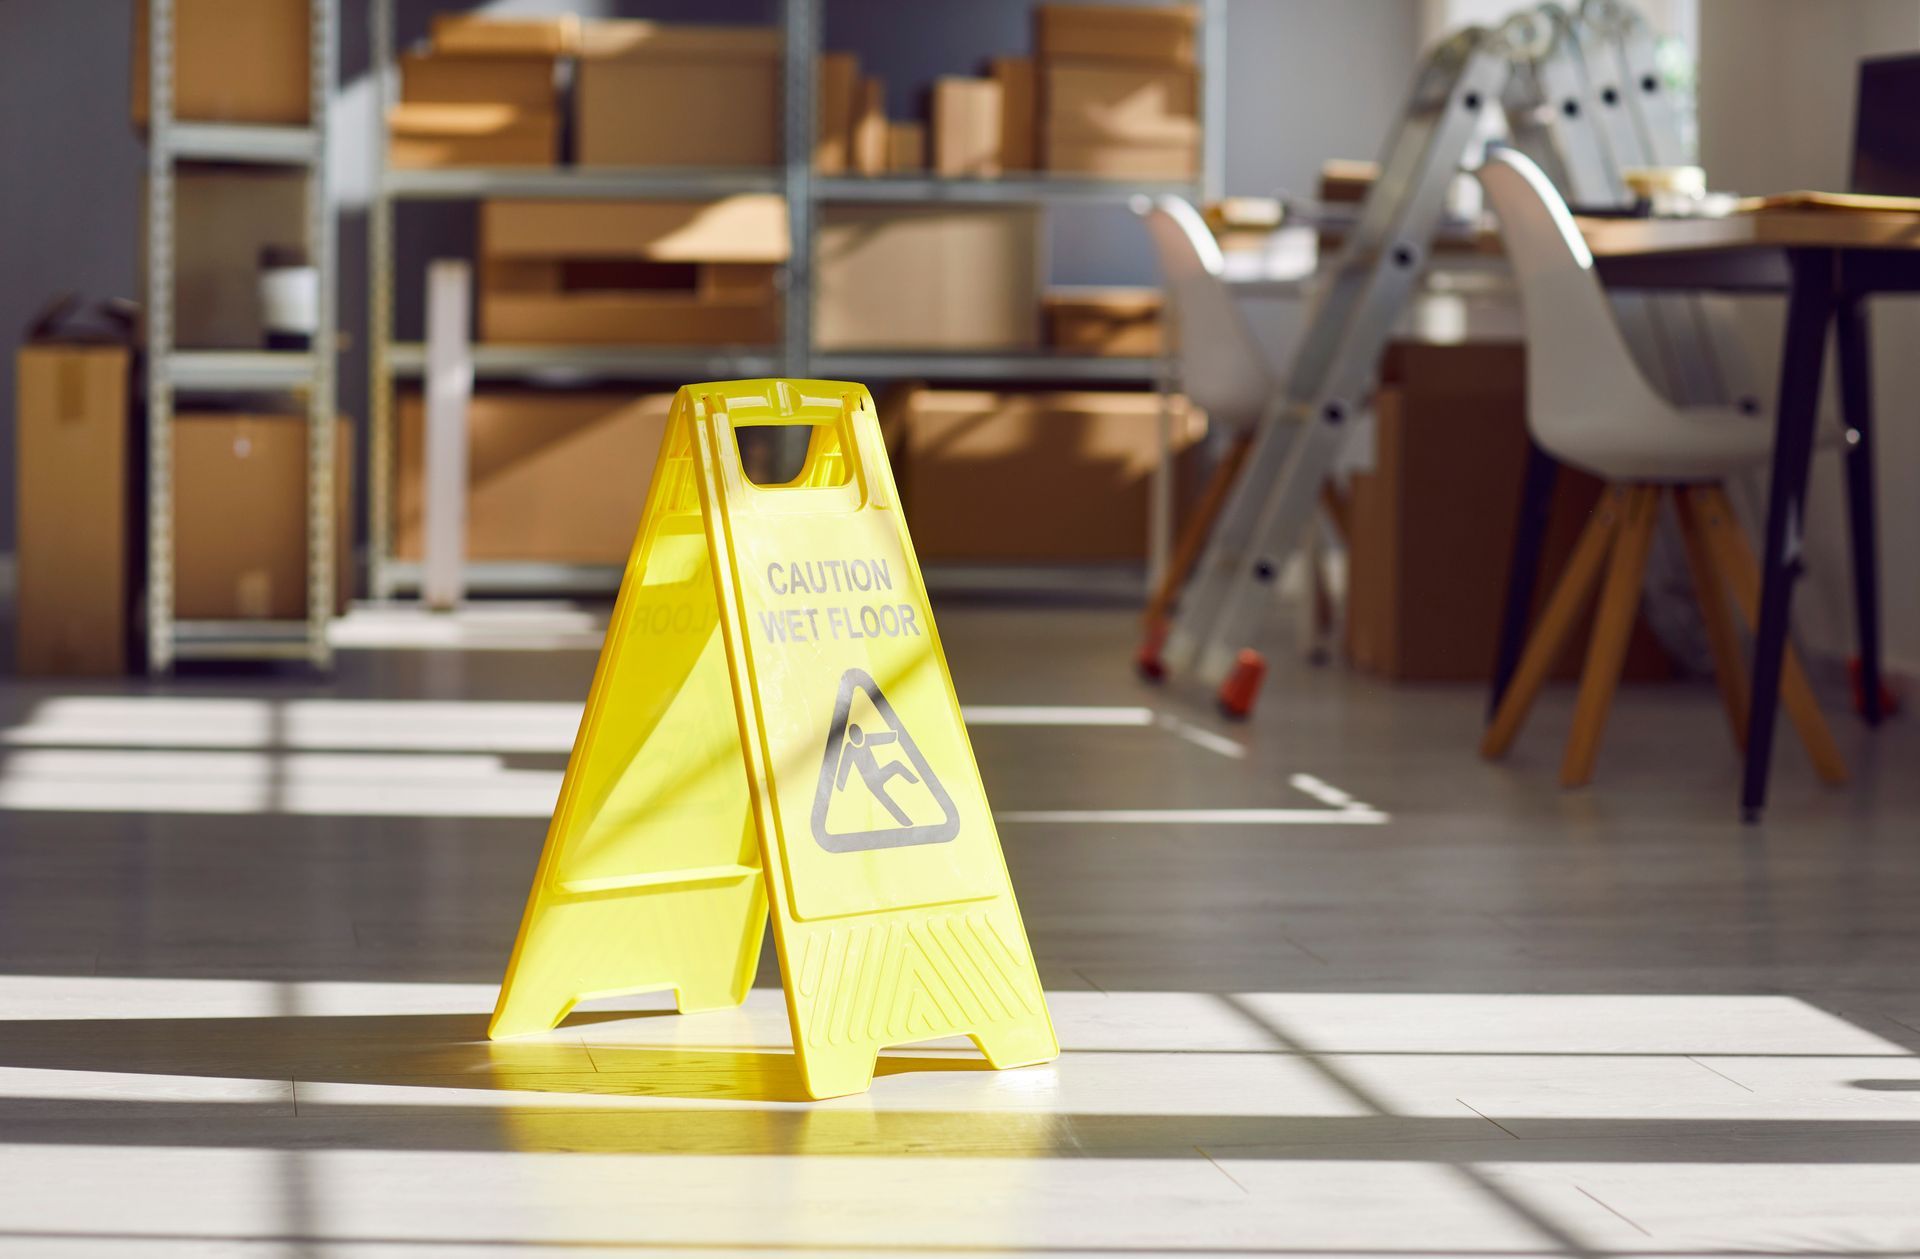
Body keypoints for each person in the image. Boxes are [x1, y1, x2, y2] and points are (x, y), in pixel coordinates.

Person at [834, 723, 918, 826]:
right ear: (851, 737)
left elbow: (882, 738)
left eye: (860, 733)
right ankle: (906, 822)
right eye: (856, 735)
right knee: (887, 800)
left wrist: (896, 735)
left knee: (896, 765)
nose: (859, 737)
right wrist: (840, 785)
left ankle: (916, 782)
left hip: (879, 773)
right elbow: (844, 766)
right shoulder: (850, 749)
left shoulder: (867, 739)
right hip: (871, 782)